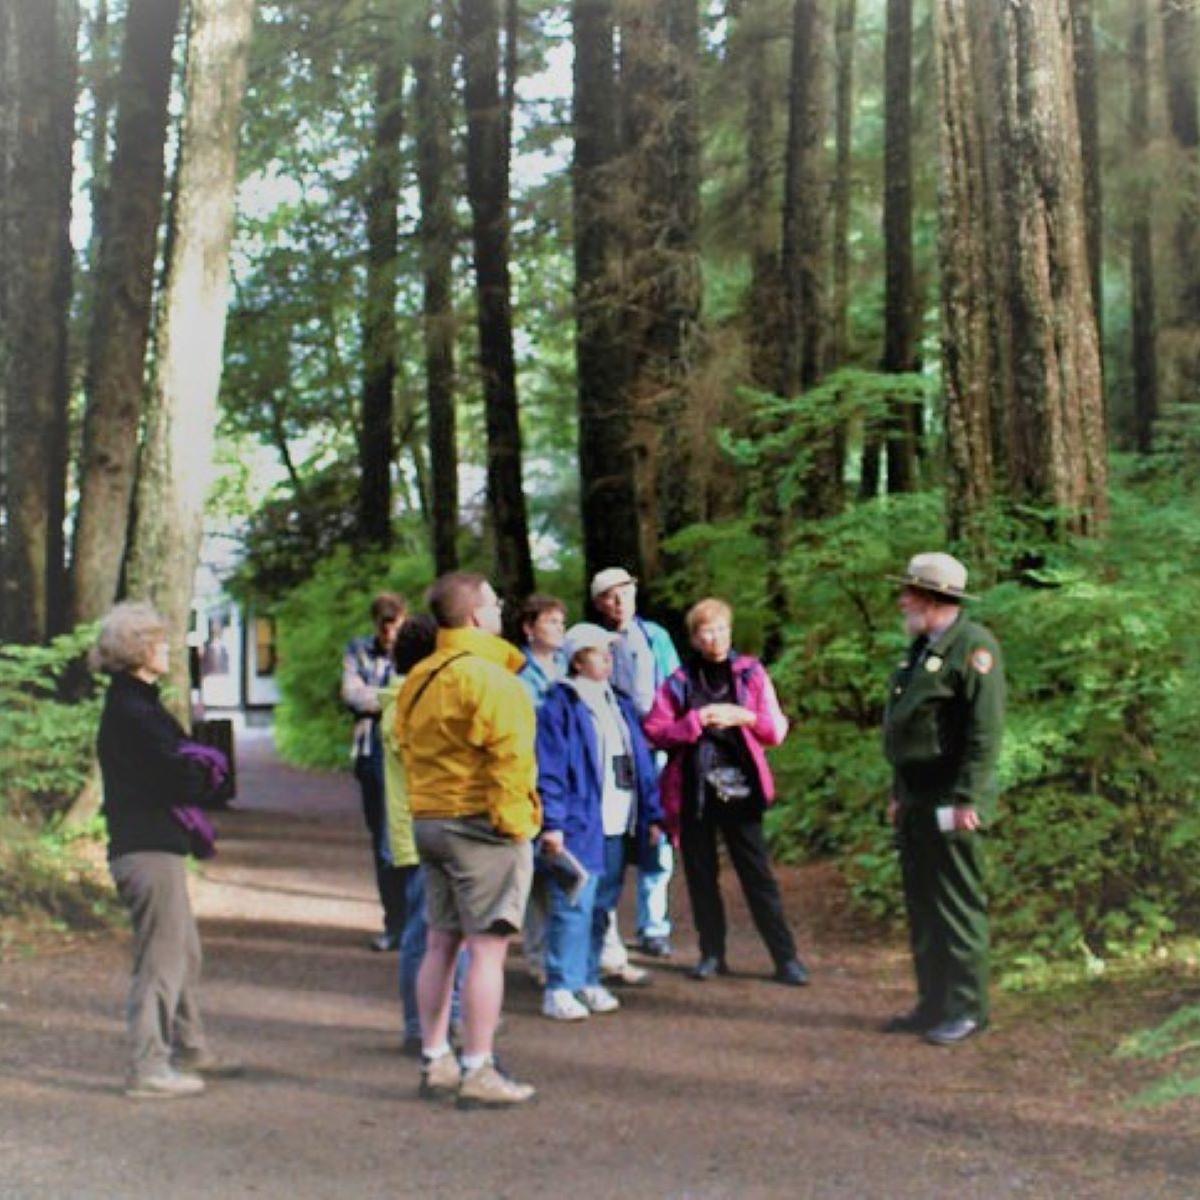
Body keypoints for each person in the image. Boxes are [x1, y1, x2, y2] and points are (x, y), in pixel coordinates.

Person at [395, 572, 540, 1108]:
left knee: (440, 942)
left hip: (430, 819)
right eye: (495, 602)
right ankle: (479, 1067)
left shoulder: (420, 676)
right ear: (476, 615)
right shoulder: (493, 679)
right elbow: (512, 759)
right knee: (487, 951)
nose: (501, 608)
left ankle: (437, 1059)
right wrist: (515, 824)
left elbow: (403, 743)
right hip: (480, 824)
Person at [93, 601, 240, 1099]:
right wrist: (204, 772)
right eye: (158, 641)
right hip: (146, 845)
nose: (167, 648)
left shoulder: (138, 703)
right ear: (137, 649)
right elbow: (174, 772)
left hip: (153, 842)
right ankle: (148, 1066)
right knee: (162, 958)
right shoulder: (132, 710)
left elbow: (178, 764)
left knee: (183, 950)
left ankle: (190, 1044)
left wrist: (195, 768)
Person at [644, 598, 808, 986]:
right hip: (694, 790)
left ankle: (786, 959)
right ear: (695, 638)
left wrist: (743, 716)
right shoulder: (679, 682)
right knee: (701, 877)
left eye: (721, 629)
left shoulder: (750, 673)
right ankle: (711, 954)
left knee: (758, 876)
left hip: (741, 788)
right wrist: (694, 722)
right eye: (706, 631)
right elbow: (655, 730)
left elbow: (775, 728)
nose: (715, 638)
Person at [882, 552, 1005, 1046]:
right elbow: (907, 731)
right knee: (923, 904)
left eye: (909, 593)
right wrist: (898, 793)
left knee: (956, 903)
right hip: (916, 796)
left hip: (952, 798)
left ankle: (968, 1007)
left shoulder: (974, 649)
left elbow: (984, 732)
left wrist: (968, 798)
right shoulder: (920, 648)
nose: (902, 601)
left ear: (934, 600)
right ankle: (932, 1002)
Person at [535, 623, 665, 1021]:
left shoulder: (619, 703)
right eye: (599, 653)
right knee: (573, 903)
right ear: (578, 659)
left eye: (611, 653)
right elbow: (551, 770)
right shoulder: (559, 706)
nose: (609, 659)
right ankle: (560, 985)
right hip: (579, 821)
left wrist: (652, 815)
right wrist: (553, 823)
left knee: (602, 907)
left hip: (617, 821)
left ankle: (588, 978)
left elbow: (640, 766)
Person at [379, 613, 464, 1057]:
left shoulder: (410, 701)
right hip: (419, 833)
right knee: (424, 934)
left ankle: (449, 1015)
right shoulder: (403, 705)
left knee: (447, 930)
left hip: (436, 827)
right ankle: (421, 1023)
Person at [590, 567, 680, 962]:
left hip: (654, 747)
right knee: (613, 831)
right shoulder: (594, 643)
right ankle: (604, 925)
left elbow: (676, 686)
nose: (618, 600)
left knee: (657, 834)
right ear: (599, 604)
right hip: (614, 751)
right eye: (609, 595)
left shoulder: (655, 636)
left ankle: (654, 926)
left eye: (623, 591)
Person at [342, 593, 408, 951]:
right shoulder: (359, 650)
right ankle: (394, 923)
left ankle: (413, 923)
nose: (390, 632)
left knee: (409, 842)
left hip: (409, 753)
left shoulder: (417, 648)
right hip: (372, 752)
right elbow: (352, 694)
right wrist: (396, 698)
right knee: (383, 841)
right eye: (384, 625)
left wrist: (380, 697)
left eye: (395, 624)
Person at [516, 593, 569, 988]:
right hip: (532, 779)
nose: (558, 629)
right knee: (536, 872)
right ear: (529, 628)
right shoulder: (519, 673)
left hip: (570, 778)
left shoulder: (571, 666)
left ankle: (567, 950)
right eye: (550, 622)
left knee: (569, 867)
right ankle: (537, 954)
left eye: (561, 622)